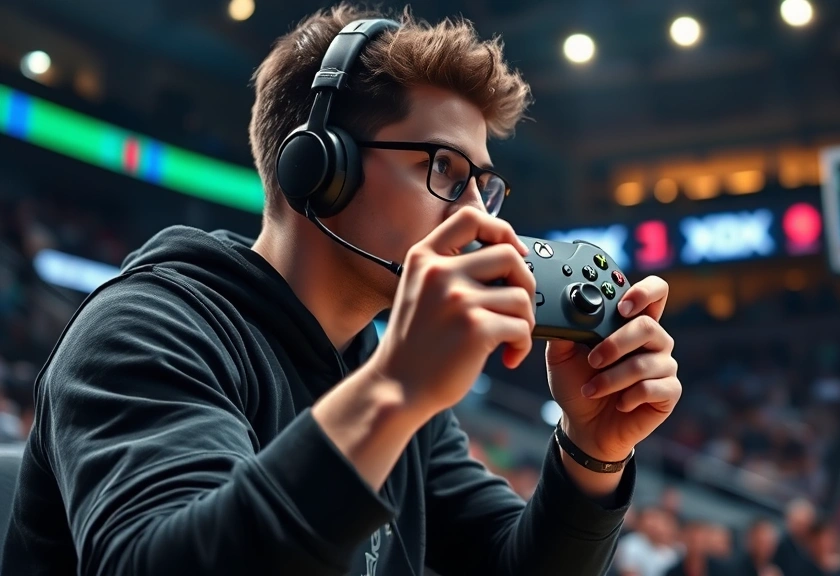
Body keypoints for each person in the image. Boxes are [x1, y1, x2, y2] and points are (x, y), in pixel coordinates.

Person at [1, 5, 683, 576]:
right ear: (320, 169)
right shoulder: (143, 330)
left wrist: (594, 447)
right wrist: (394, 390)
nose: (478, 216)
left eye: (485, 185)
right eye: (445, 168)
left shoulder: (376, 372)